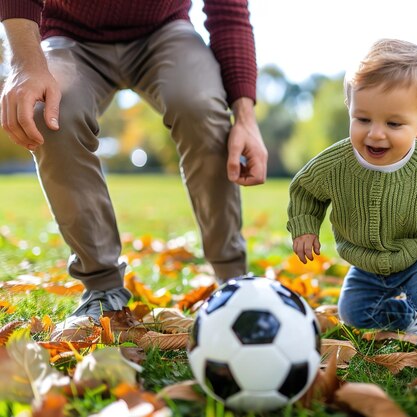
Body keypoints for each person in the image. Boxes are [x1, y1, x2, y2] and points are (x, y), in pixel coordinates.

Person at [0, 1, 268, 328]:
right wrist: (25, 63)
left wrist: (245, 118)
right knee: (51, 112)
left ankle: (233, 280)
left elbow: (229, 11)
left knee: (197, 104)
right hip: (69, 31)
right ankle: (103, 291)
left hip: (164, 29)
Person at [287, 39, 417, 370]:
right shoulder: (336, 163)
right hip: (367, 258)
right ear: (350, 110)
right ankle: (410, 320)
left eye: (394, 124)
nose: (376, 134)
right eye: (363, 119)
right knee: (354, 310)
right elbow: (305, 190)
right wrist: (304, 226)